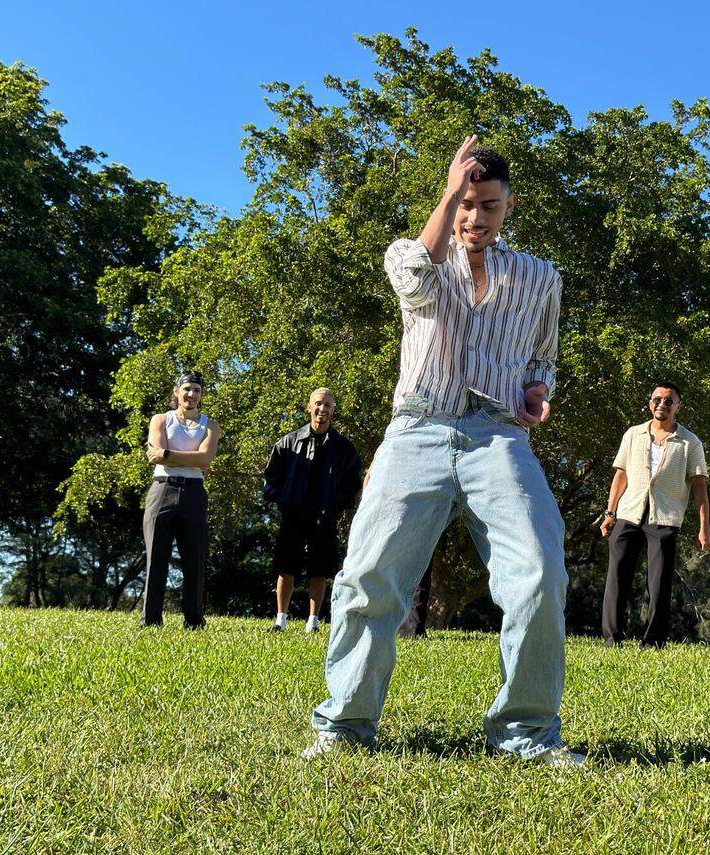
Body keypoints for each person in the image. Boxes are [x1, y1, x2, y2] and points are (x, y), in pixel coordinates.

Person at [303, 137, 581, 767]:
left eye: (487, 205)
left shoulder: (540, 277)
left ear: (509, 205)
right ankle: (345, 725)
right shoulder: (413, 253)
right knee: (370, 574)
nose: (474, 218)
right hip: (417, 429)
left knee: (541, 570)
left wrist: (537, 391)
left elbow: (543, 358)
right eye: (464, 204)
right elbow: (414, 285)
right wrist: (448, 194)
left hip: (498, 436)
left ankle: (526, 732)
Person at [599, 383, 710, 647]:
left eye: (669, 401)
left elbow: (699, 486)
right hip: (628, 513)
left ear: (678, 406)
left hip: (665, 517)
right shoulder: (633, 434)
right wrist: (610, 513)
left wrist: (704, 528)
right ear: (650, 403)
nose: (662, 404)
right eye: (657, 399)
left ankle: (653, 642)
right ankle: (612, 639)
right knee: (617, 577)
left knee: (659, 582)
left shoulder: (690, 442)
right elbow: (620, 475)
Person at [262, 388, 363, 633]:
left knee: (320, 570)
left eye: (328, 405)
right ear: (309, 407)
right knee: (286, 568)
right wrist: (283, 501)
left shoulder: (344, 448)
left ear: (333, 410)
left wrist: (336, 505)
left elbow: (353, 484)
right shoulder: (288, 442)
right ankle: (280, 620)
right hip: (293, 515)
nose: (322, 409)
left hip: (324, 517)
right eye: (318, 403)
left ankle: (313, 622)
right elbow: (271, 478)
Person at [141, 371, 220, 629]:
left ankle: (194, 621)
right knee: (156, 558)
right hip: (162, 489)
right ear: (177, 392)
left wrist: (168, 454)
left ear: (201, 395)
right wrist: (191, 458)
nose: (191, 394)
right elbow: (155, 456)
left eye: (197, 390)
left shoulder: (211, 425)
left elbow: (205, 458)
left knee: (194, 559)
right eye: (187, 389)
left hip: (194, 493)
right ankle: (151, 621)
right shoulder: (161, 419)